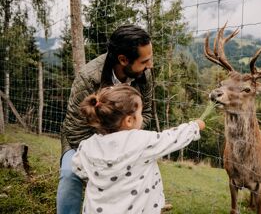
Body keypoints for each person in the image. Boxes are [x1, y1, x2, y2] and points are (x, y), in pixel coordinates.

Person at [57, 24, 154, 214]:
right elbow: (75, 129)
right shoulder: (88, 78)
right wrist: (107, 152)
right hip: (82, 141)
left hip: (127, 142)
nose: (150, 65)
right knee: (70, 174)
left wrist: (126, 141)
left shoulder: (145, 75)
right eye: (144, 61)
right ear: (123, 59)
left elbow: (148, 112)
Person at [72, 84, 205, 214]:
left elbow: (79, 169)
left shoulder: (87, 146)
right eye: (140, 113)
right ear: (129, 120)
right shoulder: (141, 142)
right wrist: (194, 127)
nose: (142, 117)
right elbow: (172, 138)